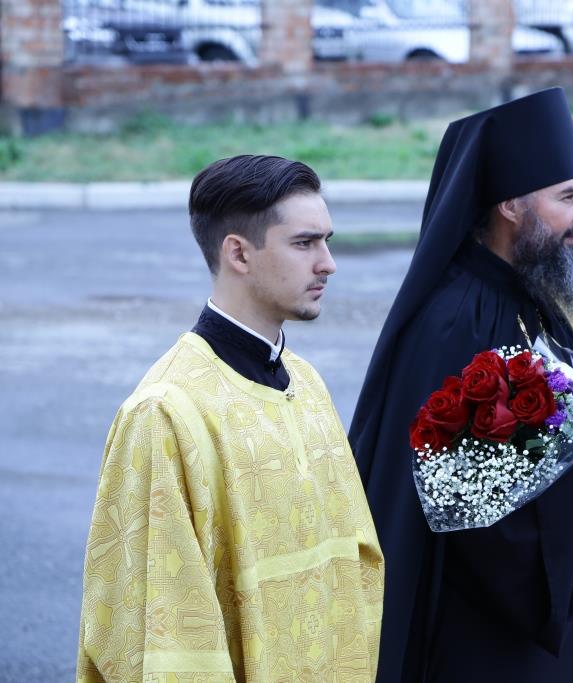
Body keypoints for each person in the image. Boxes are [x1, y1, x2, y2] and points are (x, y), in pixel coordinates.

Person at [348, 88, 573, 683]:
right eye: (569, 197)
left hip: (556, 601)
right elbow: (463, 510)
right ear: (510, 205)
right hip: (489, 635)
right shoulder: (459, 321)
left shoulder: (526, 294)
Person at [76, 155, 384, 682]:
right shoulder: (165, 412)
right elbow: (164, 628)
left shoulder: (306, 381)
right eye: (305, 243)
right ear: (238, 252)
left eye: (326, 241)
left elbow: (354, 566)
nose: (328, 263)